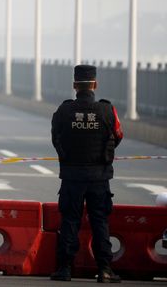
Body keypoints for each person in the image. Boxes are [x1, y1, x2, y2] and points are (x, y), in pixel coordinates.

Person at [50, 64, 124, 283]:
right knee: (100, 221)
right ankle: (105, 270)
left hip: (71, 177)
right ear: (95, 84)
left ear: (75, 85)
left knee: (70, 220)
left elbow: (55, 138)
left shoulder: (63, 111)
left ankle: (64, 269)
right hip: (99, 177)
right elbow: (118, 135)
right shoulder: (107, 110)